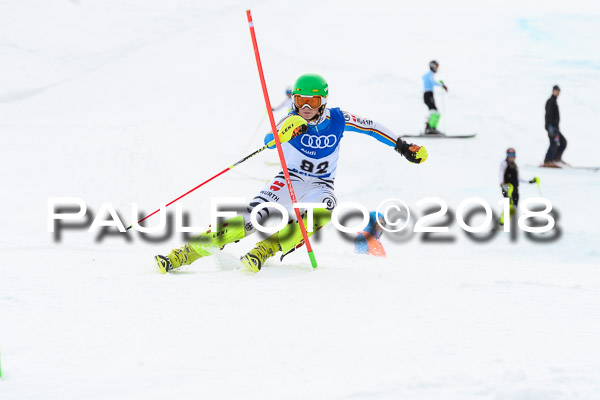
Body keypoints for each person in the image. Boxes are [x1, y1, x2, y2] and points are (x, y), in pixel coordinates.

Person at [154, 73, 428, 273]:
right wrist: (284, 133)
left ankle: (267, 248)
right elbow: (268, 142)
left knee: (326, 210)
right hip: (289, 180)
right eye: (300, 100)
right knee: (252, 218)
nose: (305, 107)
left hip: (320, 184)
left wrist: (402, 147)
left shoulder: (339, 118)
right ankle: (186, 253)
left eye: (312, 101)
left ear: (323, 101)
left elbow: (372, 127)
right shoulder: (292, 120)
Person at [499, 147, 538, 225]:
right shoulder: (504, 163)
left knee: (514, 207)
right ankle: (502, 221)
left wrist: (530, 181)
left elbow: (519, 179)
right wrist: (502, 183)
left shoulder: (515, 166)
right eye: (509, 154)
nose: (511, 156)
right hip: (507, 187)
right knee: (509, 204)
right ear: (507, 155)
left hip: (515, 190)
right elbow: (501, 173)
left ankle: (503, 221)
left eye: (513, 154)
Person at [543, 85, 567, 167]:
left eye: (558, 91)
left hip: (555, 127)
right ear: (553, 91)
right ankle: (547, 161)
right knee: (554, 143)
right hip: (551, 127)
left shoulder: (554, 101)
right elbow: (548, 115)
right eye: (556, 91)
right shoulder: (550, 101)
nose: (557, 92)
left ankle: (556, 159)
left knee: (563, 142)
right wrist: (550, 127)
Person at [422, 60, 448, 134]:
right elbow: (432, 82)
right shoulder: (429, 74)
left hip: (429, 94)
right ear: (432, 66)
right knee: (433, 111)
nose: (437, 68)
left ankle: (432, 128)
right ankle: (428, 127)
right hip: (428, 94)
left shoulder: (429, 75)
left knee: (436, 112)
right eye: (436, 66)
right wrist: (442, 85)